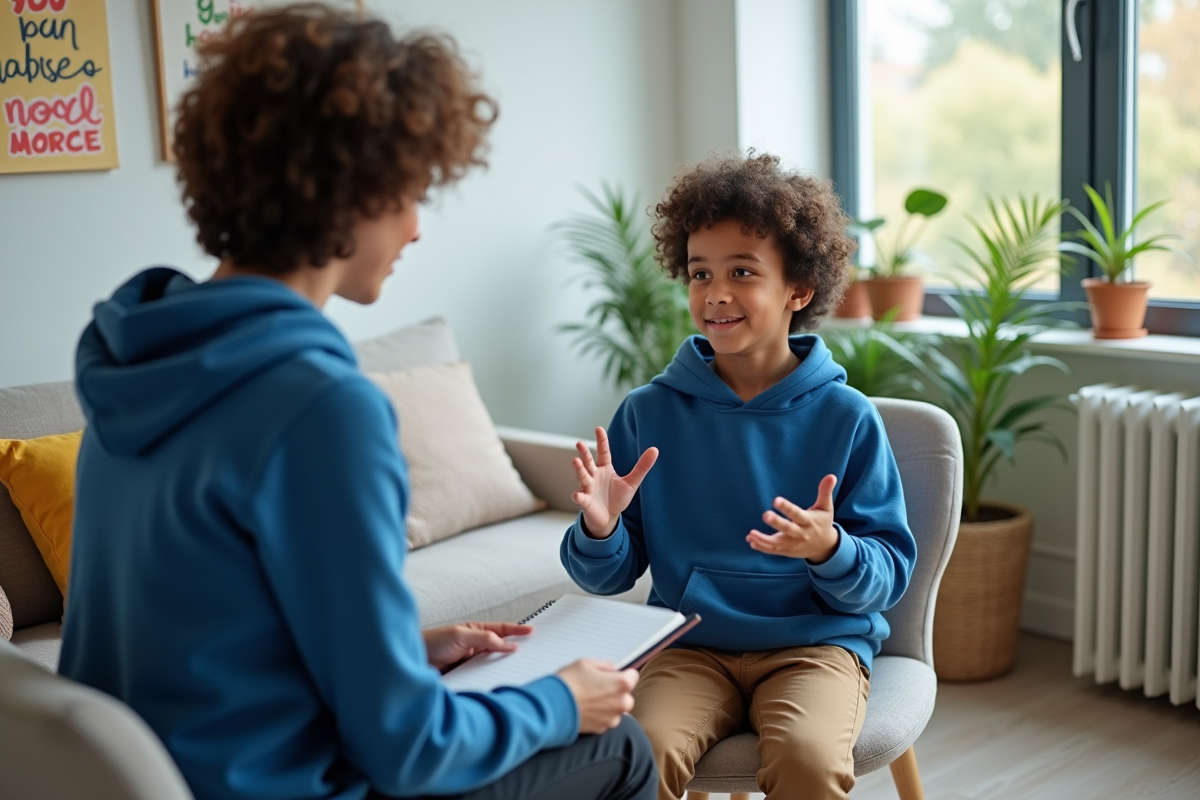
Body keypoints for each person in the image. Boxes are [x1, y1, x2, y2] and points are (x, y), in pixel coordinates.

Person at [58, 6, 655, 800]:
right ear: (346, 193)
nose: (414, 227)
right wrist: (560, 701)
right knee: (620, 745)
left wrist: (401, 650)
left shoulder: (138, 363)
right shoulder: (319, 408)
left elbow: (203, 637)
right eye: (408, 193)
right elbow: (408, 751)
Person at [559, 153, 918, 800]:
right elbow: (606, 575)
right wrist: (599, 526)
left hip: (815, 646)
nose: (715, 293)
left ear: (799, 289)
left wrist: (830, 550)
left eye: (743, 273)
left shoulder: (847, 418)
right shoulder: (649, 411)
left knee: (808, 760)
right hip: (688, 645)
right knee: (638, 753)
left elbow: (887, 575)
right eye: (700, 273)